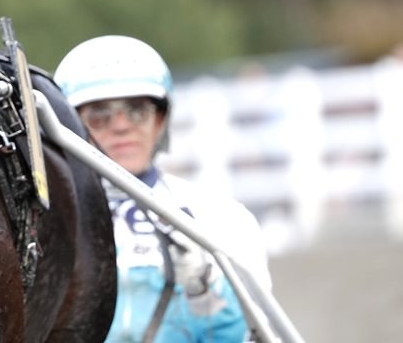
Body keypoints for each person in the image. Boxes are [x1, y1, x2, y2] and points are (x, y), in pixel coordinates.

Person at [54, 35, 271, 342]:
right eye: (99, 114)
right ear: (71, 124)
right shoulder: (47, 220)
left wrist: (203, 291)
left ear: (160, 120)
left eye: (137, 110)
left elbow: (253, 334)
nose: (120, 125)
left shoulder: (222, 219)